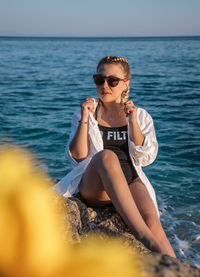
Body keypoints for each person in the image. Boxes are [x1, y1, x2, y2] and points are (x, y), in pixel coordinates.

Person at [53, 56, 176, 258]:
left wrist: (133, 121)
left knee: (154, 223)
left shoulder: (141, 115)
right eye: (99, 79)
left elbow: (146, 158)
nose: (105, 86)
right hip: (95, 184)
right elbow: (77, 157)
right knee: (107, 157)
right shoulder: (86, 113)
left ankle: (181, 272)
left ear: (126, 83)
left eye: (112, 80)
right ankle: (144, 238)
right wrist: (85, 118)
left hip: (130, 179)